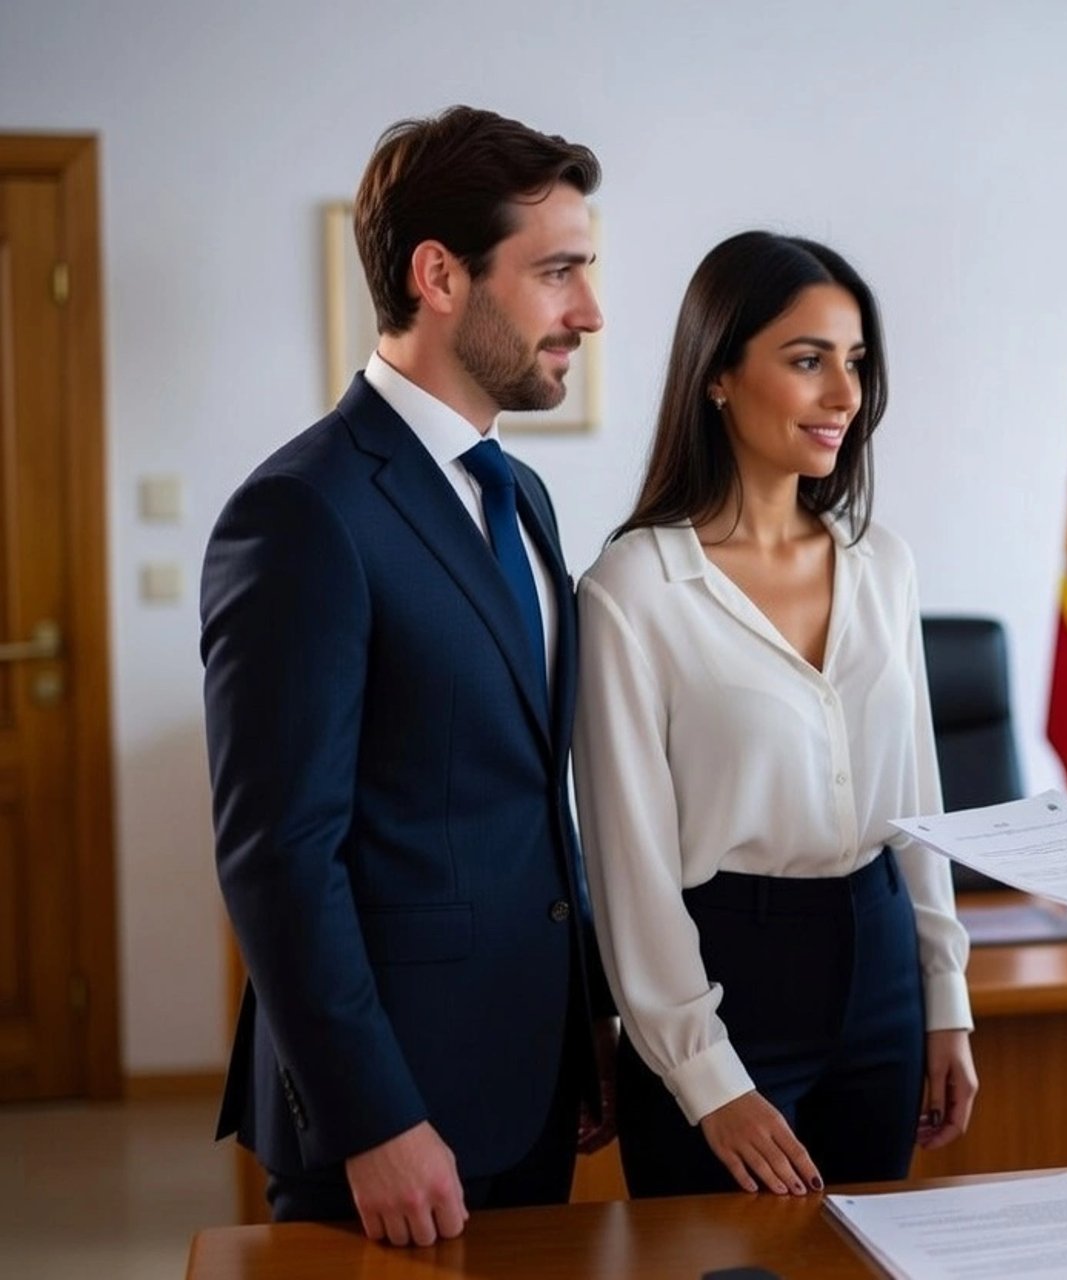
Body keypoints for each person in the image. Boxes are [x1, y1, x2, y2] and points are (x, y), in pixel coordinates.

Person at [202, 105, 613, 1243]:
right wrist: (373, 1115)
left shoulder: (519, 494)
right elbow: (278, 857)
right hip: (390, 1117)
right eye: (559, 272)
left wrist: (589, 1023)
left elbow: (528, 790)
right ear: (440, 275)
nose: (589, 309)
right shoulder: (300, 510)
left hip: (530, 1074)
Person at [574, 231, 977, 1199]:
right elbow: (630, 867)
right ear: (718, 374)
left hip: (879, 959)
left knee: (870, 1259)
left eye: (857, 363)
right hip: (728, 978)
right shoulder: (633, 589)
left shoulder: (883, 559)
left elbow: (916, 798)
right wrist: (705, 1078)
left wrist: (944, 996)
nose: (846, 394)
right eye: (808, 361)